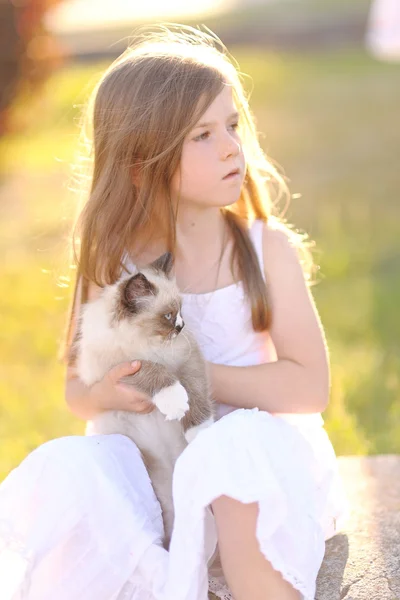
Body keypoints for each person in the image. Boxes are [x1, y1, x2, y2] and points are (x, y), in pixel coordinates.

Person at [0, 24, 348, 600]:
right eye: (203, 136)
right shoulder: (115, 262)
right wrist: (114, 388)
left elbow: (310, 387)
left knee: (228, 451)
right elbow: (77, 390)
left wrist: (195, 379)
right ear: (142, 162)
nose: (233, 146)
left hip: (252, 464)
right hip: (156, 464)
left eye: (232, 126)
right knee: (75, 468)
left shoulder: (265, 250)